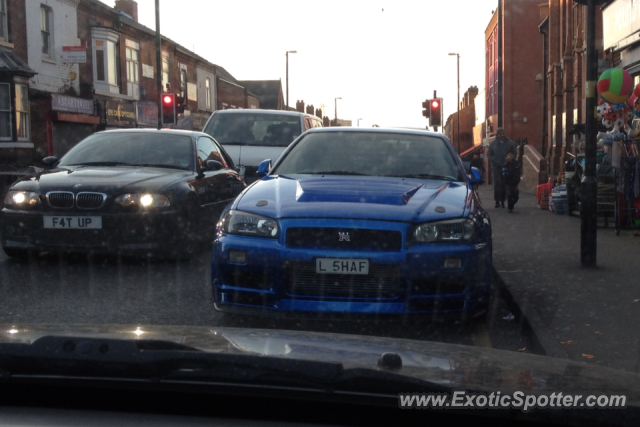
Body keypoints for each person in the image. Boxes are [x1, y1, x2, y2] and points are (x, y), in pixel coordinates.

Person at [487, 127, 517, 208]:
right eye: (500, 134)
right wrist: (493, 159)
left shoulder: (510, 143)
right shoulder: (493, 144)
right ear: (497, 135)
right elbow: (489, 154)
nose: (502, 135)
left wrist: (511, 159)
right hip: (496, 167)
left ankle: (503, 201)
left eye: (503, 133)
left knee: (504, 184)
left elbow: (514, 152)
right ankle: (497, 201)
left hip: (506, 166)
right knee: (497, 184)